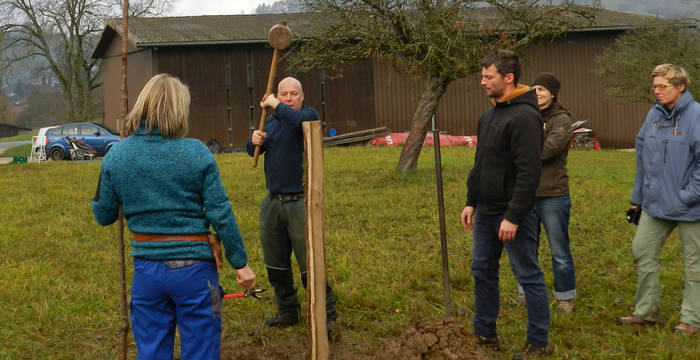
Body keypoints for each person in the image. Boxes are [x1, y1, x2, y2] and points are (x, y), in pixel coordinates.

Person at [92, 73, 256, 359]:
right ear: (180, 110)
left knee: (152, 352)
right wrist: (240, 264)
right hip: (195, 273)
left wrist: (112, 180)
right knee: (201, 352)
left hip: (147, 272)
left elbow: (104, 215)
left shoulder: (117, 156)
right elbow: (220, 212)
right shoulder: (197, 153)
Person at [460, 50, 550, 359]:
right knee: (482, 269)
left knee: (527, 274)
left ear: (508, 77)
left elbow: (529, 172)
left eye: (489, 77)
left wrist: (512, 216)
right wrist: (471, 201)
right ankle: (485, 334)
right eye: (482, 76)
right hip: (485, 211)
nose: (482, 82)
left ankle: (538, 342)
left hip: (514, 215)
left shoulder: (525, 117)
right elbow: (480, 164)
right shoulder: (489, 115)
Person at [246, 76, 338, 332]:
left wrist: (275, 104)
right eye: (283, 94)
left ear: (302, 96)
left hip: (301, 201)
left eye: (293, 94)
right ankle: (287, 310)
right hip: (273, 202)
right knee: (275, 262)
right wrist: (254, 140)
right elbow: (252, 150)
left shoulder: (308, 116)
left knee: (309, 261)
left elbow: (297, 120)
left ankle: (326, 314)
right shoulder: (273, 121)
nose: (288, 98)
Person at [616, 64, 700, 335]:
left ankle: (691, 320)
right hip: (654, 204)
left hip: (691, 207)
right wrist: (637, 198)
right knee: (642, 251)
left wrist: (686, 196)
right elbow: (642, 159)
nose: (657, 91)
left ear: (681, 86)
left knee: (694, 263)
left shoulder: (696, 116)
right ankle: (647, 312)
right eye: (654, 86)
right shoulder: (653, 115)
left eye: (663, 86)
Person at [514, 73, 577, 314]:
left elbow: (550, 148)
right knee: (526, 248)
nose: (537, 93)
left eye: (542, 89)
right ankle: (525, 292)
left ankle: (564, 297)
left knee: (559, 250)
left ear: (553, 94)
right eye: (535, 88)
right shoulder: (524, 116)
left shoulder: (561, 119)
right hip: (525, 194)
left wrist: (521, 152)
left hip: (553, 194)